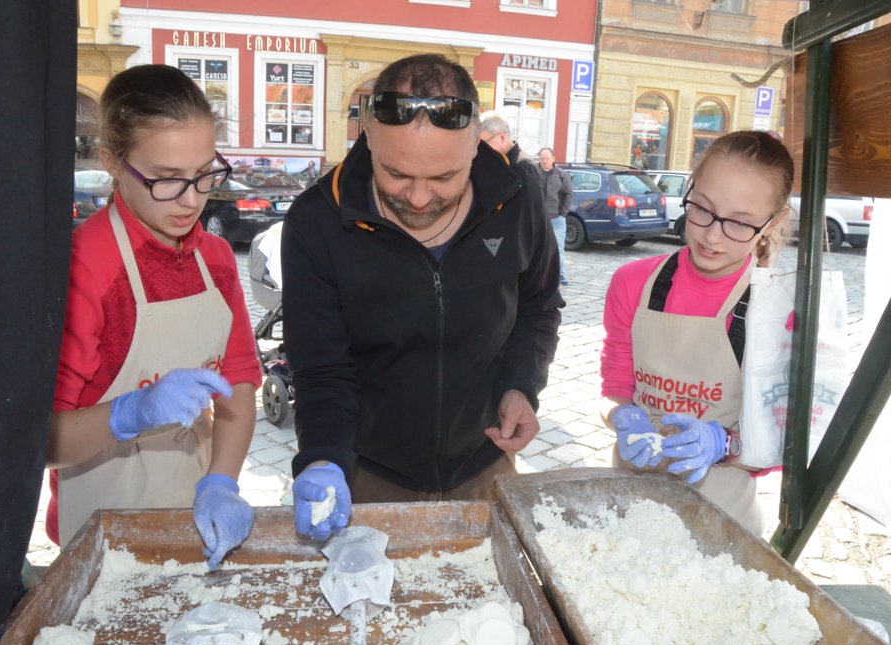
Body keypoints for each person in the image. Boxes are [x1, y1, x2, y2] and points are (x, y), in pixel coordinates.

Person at [281, 53, 563, 541]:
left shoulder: (517, 199)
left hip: (484, 465)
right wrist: (323, 458)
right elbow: (321, 367)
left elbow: (539, 304)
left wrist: (520, 384)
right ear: (367, 133)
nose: (417, 198)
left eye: (443, 179)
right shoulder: (317, 220)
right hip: (366, 473)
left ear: (476, 143)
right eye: (396, 174)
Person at [46, 64, 263, 568]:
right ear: (113, 163)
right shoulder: (83, 266)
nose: (191, 200)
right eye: (166, 180)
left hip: (192, 506)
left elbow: (240, 385)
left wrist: (222, 481)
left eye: (205, 173)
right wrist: (130, 414)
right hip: (100, 518)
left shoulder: (215, 257)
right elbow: (44, 440)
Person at [600, 130, 793, 536]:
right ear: (689, 191)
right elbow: (614, 391)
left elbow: (780, 444)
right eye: (702, 209)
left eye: (739, 223)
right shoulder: (632, 284)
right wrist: (622, 416)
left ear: (771, 223)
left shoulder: (775, 309)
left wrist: (723, 444)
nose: (712, 234)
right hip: (631, 509)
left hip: (721, 522)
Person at [538, 147, 573, 285]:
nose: (544, 161)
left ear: (553, 159)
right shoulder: (534, 172)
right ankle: (538, 274)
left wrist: (563, 213)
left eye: (547, 158)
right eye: (542, 158)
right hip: (538, 218)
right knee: (536, 247)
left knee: (558, 248)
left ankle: (559, 274)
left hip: (556, 218)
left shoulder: (562, 175)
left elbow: (568, 194)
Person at [478, 110, 540, 185]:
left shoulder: (524, 166)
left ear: (502, 137)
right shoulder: (497, 161)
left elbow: (532, 196)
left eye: (485, 143)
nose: (482, 148)